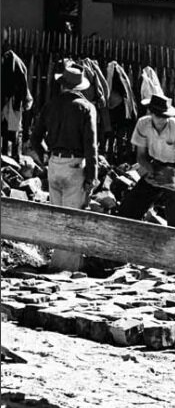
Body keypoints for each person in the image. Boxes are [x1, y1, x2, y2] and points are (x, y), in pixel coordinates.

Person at [29, 61, 98, 271]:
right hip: (75, 165)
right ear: (80, 86)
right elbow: (91, 146)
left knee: (58, 217)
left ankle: (56, 264)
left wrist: (44, 157)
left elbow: (34, 139)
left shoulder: (50, 105)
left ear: (62, 84)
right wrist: (91, 176)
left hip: (54, 164)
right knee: (72, 219)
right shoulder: (87, 108)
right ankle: (66, 268)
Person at [119, 93, 175, 228]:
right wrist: (151, 171)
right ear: (151, 112)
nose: (161, 119)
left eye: (165, 116)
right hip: (156, 164)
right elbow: (141, 156)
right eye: (158, 115)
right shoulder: (143, 124)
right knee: (129, 208)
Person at [1, 49, 33, 162]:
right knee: (13, 132)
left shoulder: (12, 65)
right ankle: (13, 157)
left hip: (13, 103)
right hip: (14, 103)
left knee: (12, 132)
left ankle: (11, 157)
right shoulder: (18, 66)